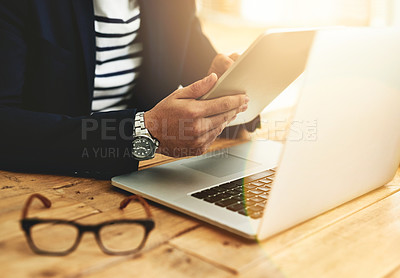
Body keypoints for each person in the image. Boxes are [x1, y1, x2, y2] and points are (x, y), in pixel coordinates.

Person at [0, 0, 254, 179]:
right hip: (45, 182)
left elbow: (203, 74)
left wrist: (227, 95)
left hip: (148, 175)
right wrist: (143, 131)